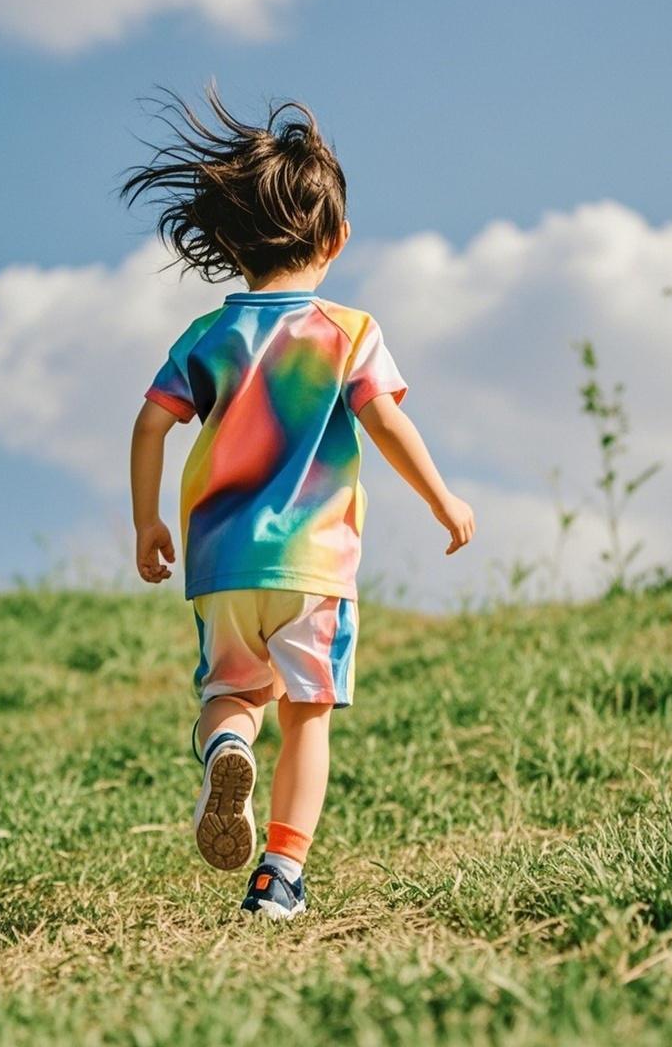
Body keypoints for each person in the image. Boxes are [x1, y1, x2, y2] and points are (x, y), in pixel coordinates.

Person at [123, 84, 475, 921]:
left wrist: (148, 520)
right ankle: (279, 877)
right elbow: (385, 422)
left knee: (233, 694)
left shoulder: (207, 335)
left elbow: (149, 424)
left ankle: (227, 746)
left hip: (222, 561)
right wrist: (441, 497)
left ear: (231, 245)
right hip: (315, 565)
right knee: (309, 716)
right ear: (338, 237)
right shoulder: (346, 332)